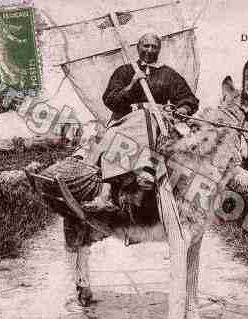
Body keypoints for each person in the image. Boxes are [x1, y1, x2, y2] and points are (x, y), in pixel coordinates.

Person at [83, 33, 199, 210]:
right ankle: (105, 194)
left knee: (147, 121)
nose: (150, 50)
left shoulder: (168, 74)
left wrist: (180, 109)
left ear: (159, 49)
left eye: (154, 46)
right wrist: (131, 85)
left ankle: (147, 170)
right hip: (126, 118)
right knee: (113, 134)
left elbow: (189, 99)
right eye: (146, 46)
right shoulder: (125, 71)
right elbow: (110, 100)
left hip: (157, 119)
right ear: (138, 47)